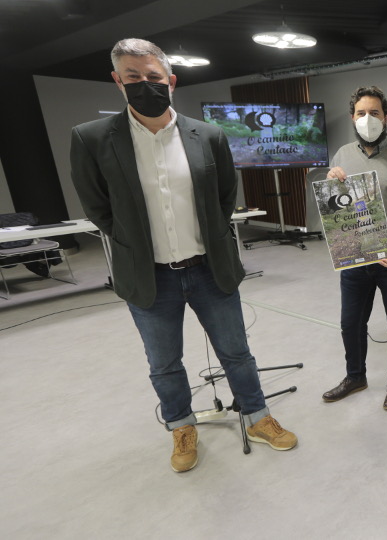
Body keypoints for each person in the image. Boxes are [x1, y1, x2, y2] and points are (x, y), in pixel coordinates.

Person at [70, 38, 297, 473]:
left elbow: (226, 197)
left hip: (209, 268)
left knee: (236, 352)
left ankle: (257, 416)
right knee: (164, 363)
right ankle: (181, 426)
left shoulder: (207, 135)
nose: (144, 84)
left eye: (153, 76)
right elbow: (97, 207)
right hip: (150, 276)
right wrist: (135, 243)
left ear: (170, 81)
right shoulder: (92, 138)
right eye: (133, 77)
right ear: (118, 82)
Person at [321, 86, 387, 411]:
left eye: (375, 113)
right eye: (361, 113)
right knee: (350, 323)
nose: (368, 119)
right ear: (353, 118)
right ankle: (355, 376)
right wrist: (329, 185)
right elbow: (337, 208)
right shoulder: (341, 156)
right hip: (354, 257)